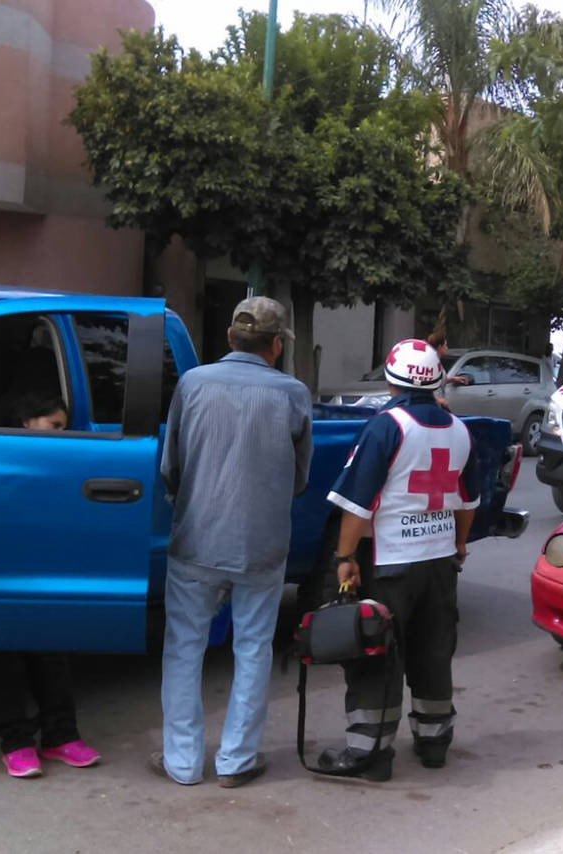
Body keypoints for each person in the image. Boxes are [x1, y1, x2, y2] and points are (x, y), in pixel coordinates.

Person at [153, 296, 313, 788]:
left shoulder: (193, 383)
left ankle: (182, 762)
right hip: (262, 545)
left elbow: (170, 467)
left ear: (229, 337)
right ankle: (237, 760)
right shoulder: (293, 394)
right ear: (276, 345)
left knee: (183, 649)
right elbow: (299, 478)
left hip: (196, 540)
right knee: (253, 648)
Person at [321, 338, 481, 781]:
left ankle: (370, 752)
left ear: (391, 380)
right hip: (440, 562)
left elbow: (358, 504)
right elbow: (468, 503)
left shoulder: (386, 427)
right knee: (434, 651)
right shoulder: (459, 430)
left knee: (378, 656)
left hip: (390, 564)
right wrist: (459, 545)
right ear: (436, 381)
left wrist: (344, 556)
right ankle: (434, 743)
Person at [0, 392, 101, 779]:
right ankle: (15, 742)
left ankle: (61, 735)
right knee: (2, 655)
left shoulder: (59, 461)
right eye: (55, 425)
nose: (61, 434)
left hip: (43, 570)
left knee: (52, 652)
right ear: (26, 421)